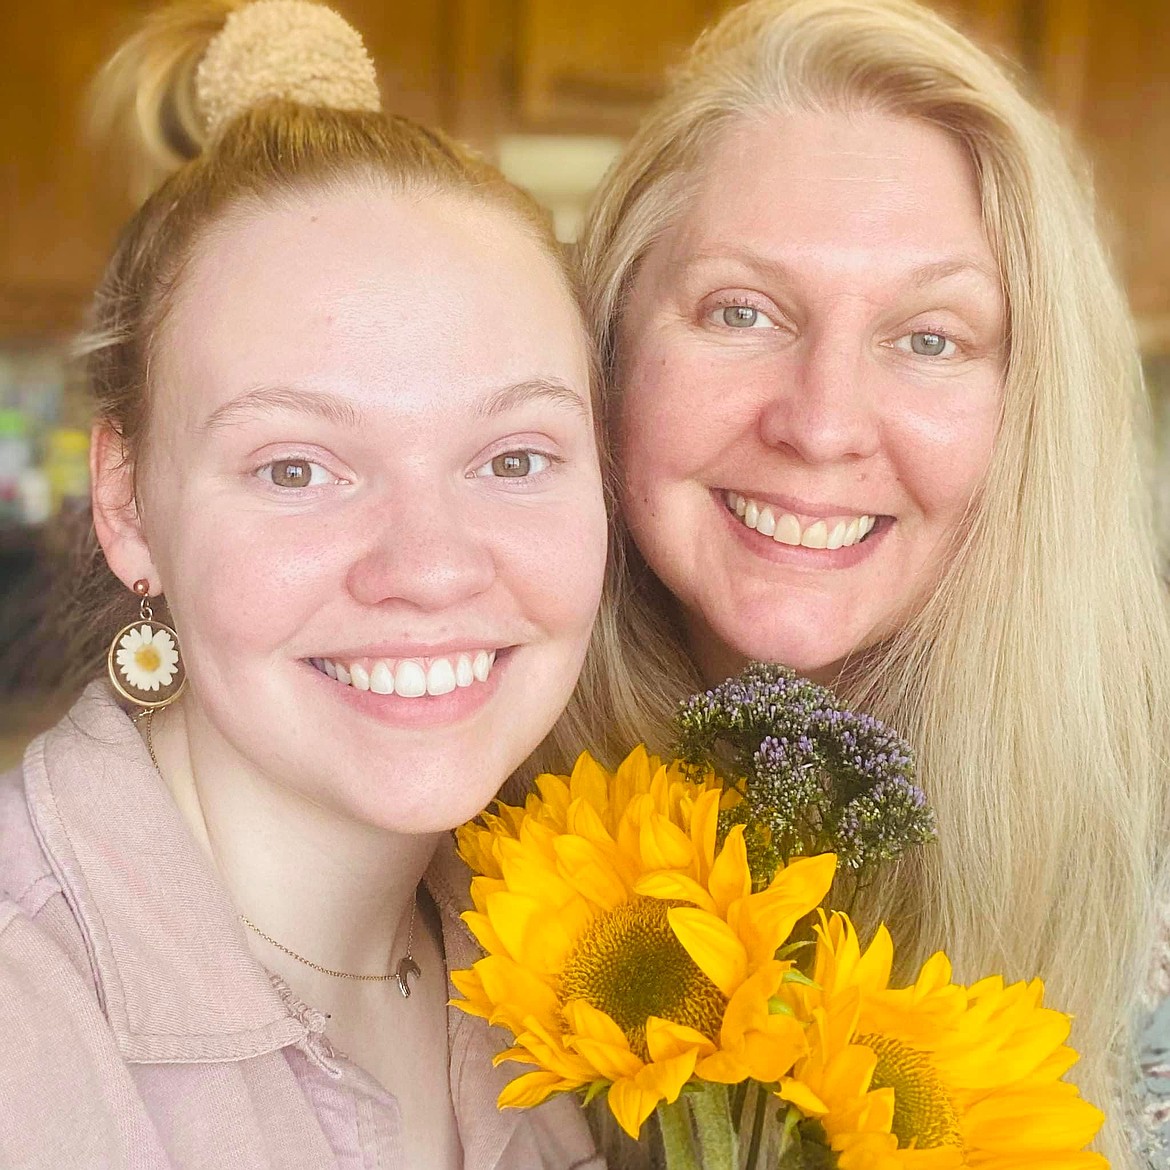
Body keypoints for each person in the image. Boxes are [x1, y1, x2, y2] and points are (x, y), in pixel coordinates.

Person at [0, 2, 609, 1167]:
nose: (429, 567)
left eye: (514, 458)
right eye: (297, 468)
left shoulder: (567, 947)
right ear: (128, 504)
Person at [576, 0, 1170, 1162]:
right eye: (740, 311)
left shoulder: (1143, 866)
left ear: (1031, 413)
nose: (822, 423)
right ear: (606, 346)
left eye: (931, 338)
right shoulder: (441, 797)